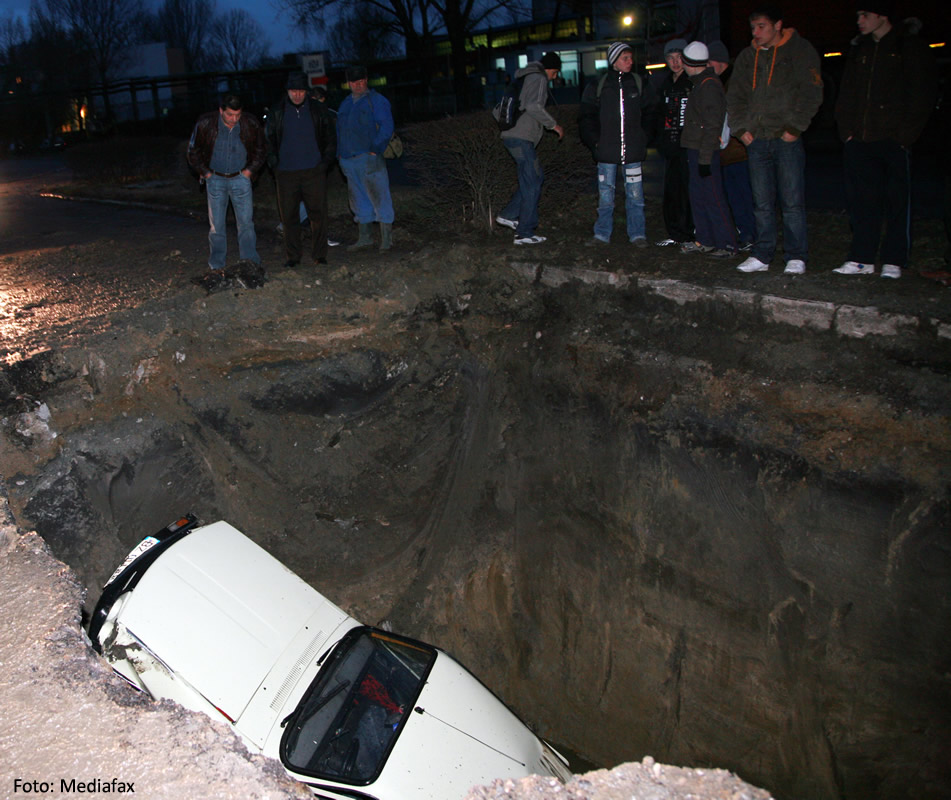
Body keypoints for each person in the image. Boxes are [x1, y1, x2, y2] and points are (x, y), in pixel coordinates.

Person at [833, 4, 937, 280]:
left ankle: (894, 259)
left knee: (896, 201)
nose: (859, 21)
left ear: (882, 16)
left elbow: (921, 94)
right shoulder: (860, 49)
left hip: (892, 138)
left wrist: (904, 136)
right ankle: (862, 258)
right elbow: (846, 94)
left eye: (865, 15)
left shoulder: (908, 47)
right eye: (857, 15)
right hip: (860, 138)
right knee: (862, 201)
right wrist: (848, 133)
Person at [728, 5, 823, 275]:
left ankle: (796, 255)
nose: (756, 33)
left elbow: (811, 91)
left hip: (786, 139)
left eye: (762, 27)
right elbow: (735, 95)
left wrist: (794, 128)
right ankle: (762, 253)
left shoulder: (799, 51)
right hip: (757, 139)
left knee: (792, 200)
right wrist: (742, 129)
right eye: (753, 28)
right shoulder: (748, 57)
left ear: (777, 25)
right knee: (761, 202)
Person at [578, 42, 651, 247]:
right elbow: (586, 117)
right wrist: (595, 142)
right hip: (606, 153)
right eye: (625, 58)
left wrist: (643, 138)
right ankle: (601, 235)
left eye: (630, 57)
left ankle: (638, 234)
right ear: (614, 61)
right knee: (605, 198)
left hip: (633, 152)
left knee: (636, 196)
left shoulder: (639, 83)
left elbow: (652, 112)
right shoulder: (598, 86)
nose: (630, 61)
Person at [186, 93, 266, 271]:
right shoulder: (206, 123)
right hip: (215, 180)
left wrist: (249, 171)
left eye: (238, 115)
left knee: (246, 223)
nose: (234, 119)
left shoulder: (250, 123)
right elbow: (193, 151)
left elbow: (261, 150)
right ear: (221, 110)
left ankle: (250, 262)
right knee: (217, 226)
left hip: (241, 178)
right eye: (230, 115)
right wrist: (206, 174)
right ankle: (217, 265)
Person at [266, 72, 337, 268]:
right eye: (293, 91)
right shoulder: (277, 111)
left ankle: (320, 255)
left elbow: (330, 138)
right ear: (287, 91)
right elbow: (268, 139)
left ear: (306, 92)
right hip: (286, 173)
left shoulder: (319, 110)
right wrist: (273, 162)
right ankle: (293, 256)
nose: (297, 95)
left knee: (318, 215)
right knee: (289, 217)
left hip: (313, 171)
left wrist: (325, 163)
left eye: (300, 91)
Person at [494, 51, 565, 245]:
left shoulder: (523, 77)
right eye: (555, 72)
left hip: (512, 136)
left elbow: (498, 109)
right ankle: (524, 232)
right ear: (550, 69)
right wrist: (553, 125)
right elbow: (533, 106)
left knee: (532, 179)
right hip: (521, 138)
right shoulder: (539, 77)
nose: (555, 77)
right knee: (533, 180)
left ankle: (509, 215)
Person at [679, 42, 738, 257]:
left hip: (705, 151)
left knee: (713, 197)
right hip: (697, 149)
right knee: (699, 197)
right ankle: (706, 239)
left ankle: (727, 243)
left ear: (691, 64)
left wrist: (705, 157)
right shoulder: (700, 83)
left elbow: (712, 125)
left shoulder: (708, 86)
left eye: (684, 62)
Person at [336, 66, 396, 251]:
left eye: (360, 81)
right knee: (358, 198)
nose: (358, 85)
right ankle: (365, 237)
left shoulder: (377, 101)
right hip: (348, 158)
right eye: (354, 82)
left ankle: (386, 239)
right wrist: (340, 153)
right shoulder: (346, 103)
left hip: (368, 157)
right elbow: (340, 129)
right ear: (349, 83)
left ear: (366, 80)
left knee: (379, 196)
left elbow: (387, 127)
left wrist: (375, 149)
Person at [708, 40, 755, 251]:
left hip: (738, 153)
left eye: (709, 62)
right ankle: (743, 233)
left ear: (719, 62)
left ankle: (752, 235)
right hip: (726, 154)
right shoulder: (719, 83)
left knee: (744, 196)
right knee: (733, 197)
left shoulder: (733, 83)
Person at [652, 39, 694, 247]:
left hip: (688, 147)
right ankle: (675, 232)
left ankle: (689, 233)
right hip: (670, 147)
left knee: (688, 191)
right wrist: (661, 141)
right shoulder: (665, 84)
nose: (675, 62)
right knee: (671, 191)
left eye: (679, 58)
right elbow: (658, 115)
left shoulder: (692, 81)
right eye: (671, 58)